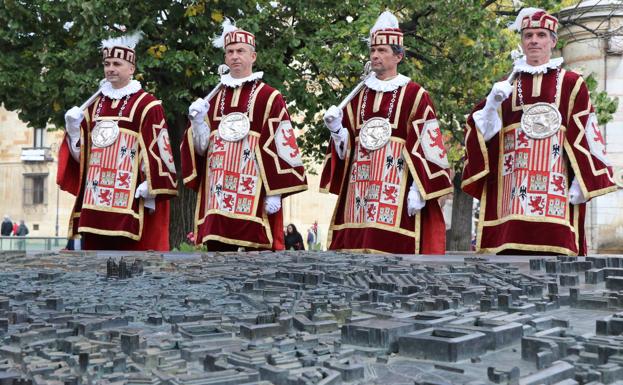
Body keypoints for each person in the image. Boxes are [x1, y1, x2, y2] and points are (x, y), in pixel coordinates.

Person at [461, 8, 617, 255]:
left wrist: (581, 183)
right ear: (522, 41)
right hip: (509, 199)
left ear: (553, 41)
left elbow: (586, 133)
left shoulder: (571, 83)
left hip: (555, 196)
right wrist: (491, 105)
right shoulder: (506, 83)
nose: (534, 40)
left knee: (556, 268)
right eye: (528, 35)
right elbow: (481, 135)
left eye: (541, 35)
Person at [320, 11, 452, 254]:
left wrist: (419, 190)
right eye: (372, 50)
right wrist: (336, 130)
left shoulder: (415, 94)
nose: (375, 56)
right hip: (358, 191)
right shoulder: (357, 94)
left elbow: (428, 146)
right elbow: (347, 150)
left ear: (398, 56)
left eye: (382, 51)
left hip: (397, 192)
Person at [181, 19, 307, 251]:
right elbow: (200, 149)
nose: (235, 56)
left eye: (240, 51)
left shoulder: (269, 97)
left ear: (253, 56)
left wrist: (275, 194)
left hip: (254, 198)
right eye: (230, 52)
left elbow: (282, 145)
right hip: (216, 199)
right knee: (216, 261)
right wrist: (197, 123)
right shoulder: (212, 98)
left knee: (255, 264)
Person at [57, 31, 178, 250]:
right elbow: (82, 159)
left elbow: (160, 150)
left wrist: (150, 186)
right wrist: (74, 130)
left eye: (117, 63)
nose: (110, 68)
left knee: (131, 265)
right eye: (107, 63)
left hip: (130, 201)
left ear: (131, 69)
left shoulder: (148, 105)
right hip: (94, 204)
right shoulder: (92, 106)